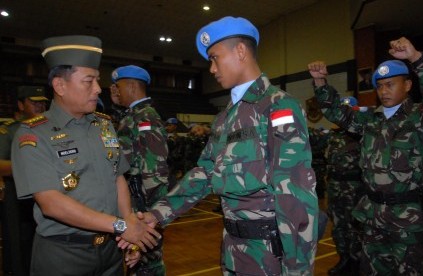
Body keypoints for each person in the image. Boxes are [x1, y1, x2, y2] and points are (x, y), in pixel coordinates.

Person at [137, 16, 319, 275]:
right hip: (234, 247)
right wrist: (157, 214)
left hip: (269, 253)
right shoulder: (225, 117)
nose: (211, 68)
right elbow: (205, 172)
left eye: (214, 57)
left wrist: (297, 268)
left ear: (241, 51)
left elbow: (295, 193)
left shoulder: (277, 106)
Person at [11, 35, 159, 275]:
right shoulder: (34, 134)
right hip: (64, 256)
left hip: (111, 250)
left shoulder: (104, 125)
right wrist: (122, 226)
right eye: (88, 81)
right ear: (60, 86)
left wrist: (129, 226)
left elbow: (117, 177)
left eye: (97, 80)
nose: (98, 89)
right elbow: (51, 203)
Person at [308, 36, 423, 275]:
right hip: (373, 214)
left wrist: (416, 58)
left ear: (408, 85)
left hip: (407, 217)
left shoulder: (422, 117)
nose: (384, 91)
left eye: (391, 84)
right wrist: (320, 81)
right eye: (380, 85)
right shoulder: (370, 122)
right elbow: (335, 111)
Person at [112, 65, 169, 275]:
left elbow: (155, 168)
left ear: (132, 86)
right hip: (135, 202)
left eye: (118, 86)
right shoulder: (133, 115)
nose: (115, 91)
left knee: (148, 263)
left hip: (143, 204)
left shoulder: (146, 116)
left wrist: (153, 211)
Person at [0, 86, 48, 275]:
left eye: (42, 102)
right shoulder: (10, 130)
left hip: (45, 191)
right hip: (17, 194)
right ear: (20, 105)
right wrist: (29, 167)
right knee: (17, 240)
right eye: (34, 102)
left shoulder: (49, 128)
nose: (40, 106)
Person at [324, 96, 362, 276]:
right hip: (334, 188)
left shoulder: (362, 134)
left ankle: (357, 262)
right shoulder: (332, 135)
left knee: (355, 227)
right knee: (338, 227)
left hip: (354, 188)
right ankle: (344, 259)